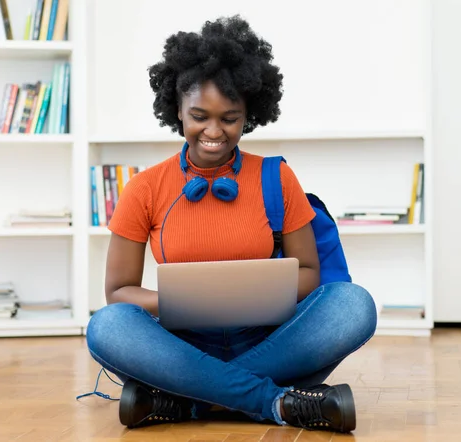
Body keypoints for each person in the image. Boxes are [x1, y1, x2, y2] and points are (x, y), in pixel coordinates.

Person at [85, 15, 377, 433]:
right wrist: (186, 303)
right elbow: (118, 293)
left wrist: (249, 296)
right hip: (181, 343)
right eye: (199, 116)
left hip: (269, 339)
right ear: (177, 111)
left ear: (249, 115)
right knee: (106, 327)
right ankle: (276, 401)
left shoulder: (276, 178)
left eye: (230, 118)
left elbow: (311, 275)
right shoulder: (145, 188)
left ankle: (188, 399)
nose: (214, 131)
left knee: (353, 304)